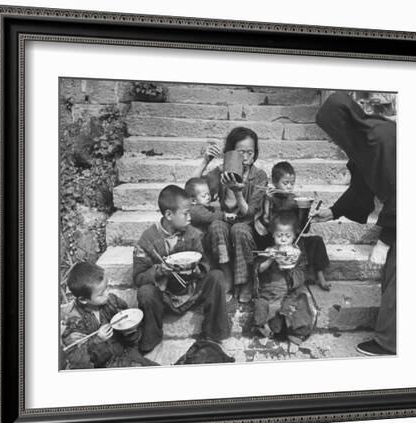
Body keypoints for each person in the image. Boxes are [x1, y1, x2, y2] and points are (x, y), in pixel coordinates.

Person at [314, 92, 396, 356]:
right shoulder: (361, 143)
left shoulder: (382, 138)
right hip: (403, 213)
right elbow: (360, 187)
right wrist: (334, 211)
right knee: (393, 276)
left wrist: (385, 240)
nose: (329, 138)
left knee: (399, 275)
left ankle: (389, 344)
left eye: (330, 131)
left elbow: (408, 189)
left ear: (342, 122)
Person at [133, 185, 231, 354]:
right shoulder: (148, 239)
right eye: (185, 213)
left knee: (217, 277)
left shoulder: (193, 234)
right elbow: (138, 277)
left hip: (191, 290)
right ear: (169, 215)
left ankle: (213, 332)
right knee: (145, 292)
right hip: (165, 296)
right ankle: (152, 336)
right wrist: (157, 271)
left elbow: (205, 264)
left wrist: (196, 270)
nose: (189, 217)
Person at [194, 127, 268, 302]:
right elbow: (190, 189)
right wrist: (205, 161)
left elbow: (249, 213)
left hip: (247, 227)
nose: (245, 157)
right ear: (230, 152)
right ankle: (227, 274)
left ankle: (245, 280)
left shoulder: (259, 176)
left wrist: (238, 193)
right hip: (224, 223)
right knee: (217, 226)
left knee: (239, 230)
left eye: (250, 152)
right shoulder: (221, 172)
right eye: (240, 152)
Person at [61, 262, 156, 369]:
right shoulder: (75, 322)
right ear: (83, 299)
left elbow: (127, 318)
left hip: (124, 352)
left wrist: (129, 329)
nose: (107, 293)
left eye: (107, 287)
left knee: (149, 366)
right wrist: (97, 340)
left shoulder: (112, 301)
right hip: (103, 365)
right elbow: (77, 359)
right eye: (101, 294)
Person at [254, 161, 331, 290]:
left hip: (294, 238)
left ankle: (320, 277)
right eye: (285, 183)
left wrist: (305, 211)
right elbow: (265, 222)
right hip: (275, 238)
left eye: (292, 183)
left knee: (316, 241)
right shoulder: (269, 198)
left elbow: (304, 229)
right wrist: (267, 200)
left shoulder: (295, 201)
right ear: (274, 182)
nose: (289, 187)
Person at [253, 211, 316, 342]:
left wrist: (290, 266)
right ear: (273, 235)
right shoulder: (269, 250)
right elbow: (259, 270)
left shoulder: (296, 253)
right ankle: (263, 326)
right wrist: (270, 259)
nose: (283, 239)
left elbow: (301, 275)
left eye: (287, 236)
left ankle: (296, 332)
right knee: (260, 304)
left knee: (300, 302)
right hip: (269, 293)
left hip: (289, 292)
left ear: (294, 236)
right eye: (279, 235)